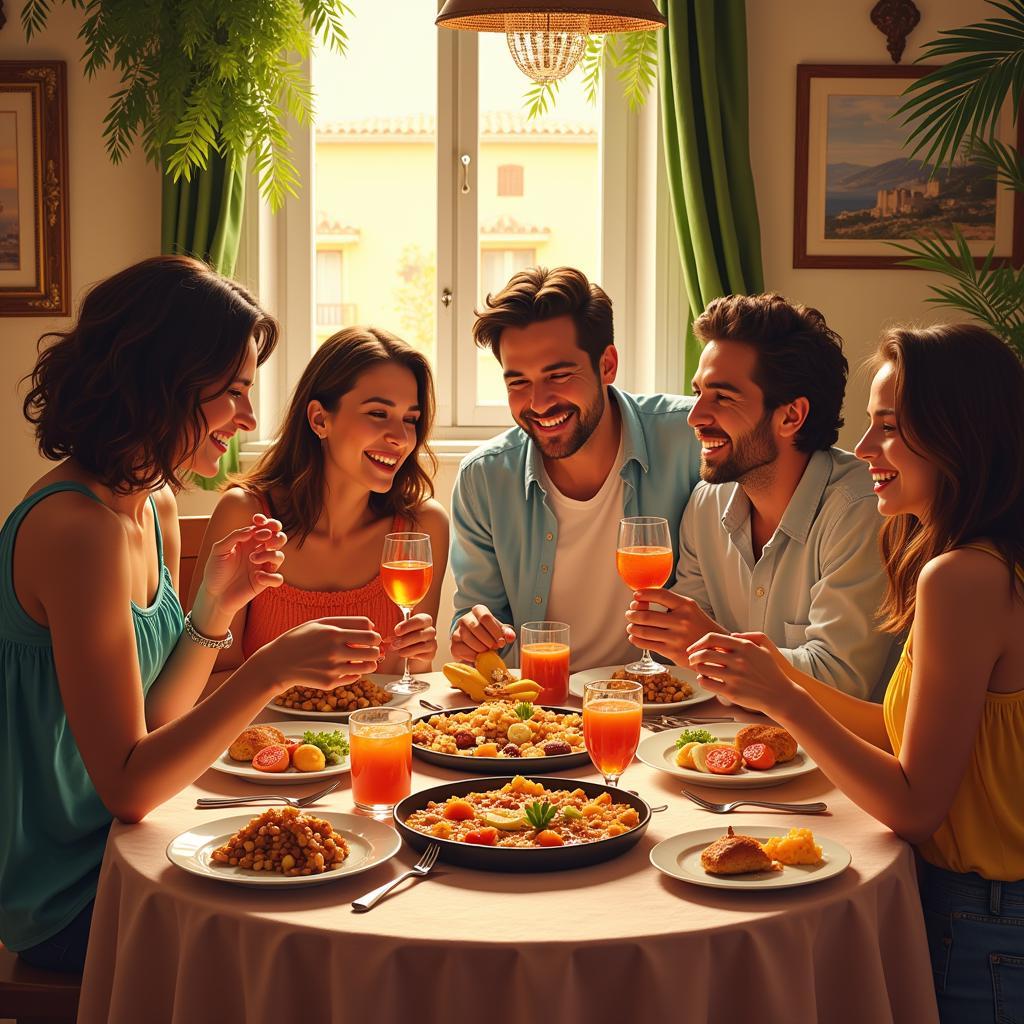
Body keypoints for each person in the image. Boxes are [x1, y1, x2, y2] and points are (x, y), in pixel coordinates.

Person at [0, 257, 383, 972]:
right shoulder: (75, 530)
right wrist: (265, 671)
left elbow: (156, 721)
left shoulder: (154, 503)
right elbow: (127, 785)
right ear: (161, 381)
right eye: (234, 390)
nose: (248, 417)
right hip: (74, 892)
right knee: (315, 947)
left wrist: (216, 607)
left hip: (128, 849)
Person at [686, 324, 1024, 1022]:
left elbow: (914, 804)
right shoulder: (985, 560)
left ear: (958, 434)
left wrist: (785, 698)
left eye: (890, 429)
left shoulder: (961, 578)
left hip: (985, 920)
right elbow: (908, 738)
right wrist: (782, 677)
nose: (864, 450)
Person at [625, 293, 898, 699]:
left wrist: (711, 642)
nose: (695, 416)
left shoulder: (860, 511)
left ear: (791, 416)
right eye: (698, 392)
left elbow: (842, 679)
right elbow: (688, 664)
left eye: (722, 397)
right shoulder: (705, 505)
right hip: (733, 739)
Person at [449, 265, 701, 670]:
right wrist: (471, 634)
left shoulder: (691, 439)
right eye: (518, 383)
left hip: (668, 703)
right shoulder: (483, 478)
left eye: (559, 375)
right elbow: (475, 618)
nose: (539, 402)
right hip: (541, 712)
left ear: (607, 365)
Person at [198, 326, 447, 676]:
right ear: (319, 419)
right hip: (266, 731)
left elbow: (404, 681)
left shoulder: (423, 528)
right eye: (378, 413)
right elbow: (208, 677)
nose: (401, 438)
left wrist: (419, 658)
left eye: (411, 419)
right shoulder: (245, 515)